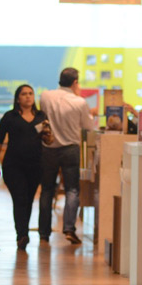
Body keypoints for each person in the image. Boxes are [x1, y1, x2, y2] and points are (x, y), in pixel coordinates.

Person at [38, 67, 94, 245]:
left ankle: (44, 232)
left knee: (47, 190)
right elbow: (88, 126)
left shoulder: (46, 96)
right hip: (70, 149)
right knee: (72, 190)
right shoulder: (79, 102)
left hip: (48, 148)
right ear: (75, 82)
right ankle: (69, 228)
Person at [0, 84, 53, 250]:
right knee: (19, 198)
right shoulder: (9, 116)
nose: (28, 96)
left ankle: (23, 232)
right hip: (13, 165)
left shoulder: (41, 116)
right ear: (17, 98)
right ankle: (21, 235)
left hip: (36, 164)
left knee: (28, 199)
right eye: (24, 94)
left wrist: (48, 135)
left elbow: (49, 140)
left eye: (30, 93)